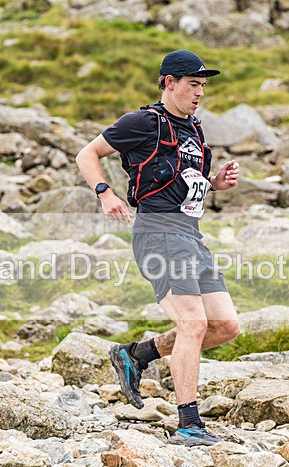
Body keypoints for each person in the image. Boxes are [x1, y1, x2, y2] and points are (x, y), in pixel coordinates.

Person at [76, 50, 241, 446]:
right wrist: (104, 193)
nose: (200, 93)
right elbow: (88, 153)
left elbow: (187, 181)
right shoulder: (143, 122)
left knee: (225, 326)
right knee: (193, 323)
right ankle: (188, 424)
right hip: (158, 233)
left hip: (191, 234)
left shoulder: (195, 130)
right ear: (170, 82)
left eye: (203, 86)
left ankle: (139, 355)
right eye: (193, 84)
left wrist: (214, 183)